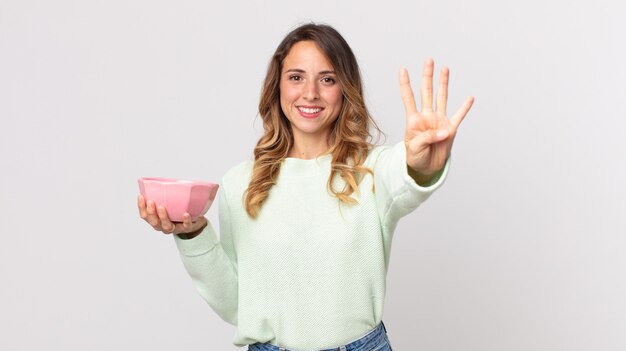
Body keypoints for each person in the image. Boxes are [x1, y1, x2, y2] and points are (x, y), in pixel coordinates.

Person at [138, 23, 473, 351]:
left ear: (345, 89)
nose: (310, 92)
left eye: (327, 79)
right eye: (296, 77)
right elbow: (236, 305)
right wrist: (193, 234)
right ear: (278, 87)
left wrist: (422, 164)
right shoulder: (240, 183)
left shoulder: (371, 170)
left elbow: (405, 176)